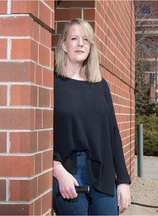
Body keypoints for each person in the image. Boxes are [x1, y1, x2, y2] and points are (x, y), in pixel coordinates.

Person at [53, 18, 131, 215]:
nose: (80, 43)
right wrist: (57, 169)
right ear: (64, 45)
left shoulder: (100, 85)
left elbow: (113, 133)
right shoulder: (52, 84)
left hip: (103, 172)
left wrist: (123, 181)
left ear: (90, 47)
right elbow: (41, 132)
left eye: (86, 40)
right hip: (69, 172)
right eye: (74, 38)